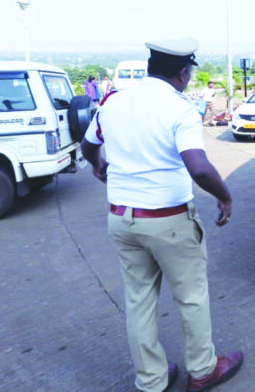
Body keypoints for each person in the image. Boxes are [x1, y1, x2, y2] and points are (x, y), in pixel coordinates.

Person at [80, 38, 243, 392]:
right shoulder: (179, 108)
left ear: (150, 66)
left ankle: (151, 379)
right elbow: (199, 168)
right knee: (191, 296)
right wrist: (225, 196)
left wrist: (98, 165)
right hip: (168, 220)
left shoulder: (113, 102)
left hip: (121, 218)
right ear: (183, 73)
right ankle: (202, 370)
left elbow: (88, 144)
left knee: (138, 301)